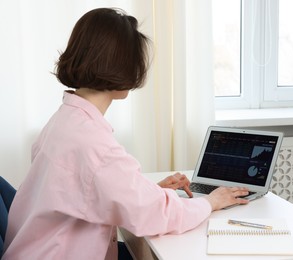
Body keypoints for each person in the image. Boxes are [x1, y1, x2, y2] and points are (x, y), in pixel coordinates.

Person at [3, 7, 249, 260]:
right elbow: (152, 216)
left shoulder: (64, 121)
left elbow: (81, 189)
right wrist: (211, 201)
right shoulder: (92, 142)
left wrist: (146, 191)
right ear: (121, 65)